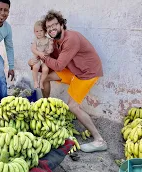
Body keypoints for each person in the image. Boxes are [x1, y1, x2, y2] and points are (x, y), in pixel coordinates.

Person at [30, 10, 107, 153]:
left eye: (54, 25)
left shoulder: (71, 39)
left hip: (87, 72)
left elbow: (58, 65)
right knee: (45, 76)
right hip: (74, 69)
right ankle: (45, 106)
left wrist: (40, 54)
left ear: (61, 24)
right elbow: (50, 57)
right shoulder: (55, 41)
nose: (52, 29)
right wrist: (36, 61)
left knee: (73, 106)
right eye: (49, 27)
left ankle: (99, 140)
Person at [28, 20, 54, 89]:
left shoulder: (48, 40)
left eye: (41, 30)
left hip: (45, 59)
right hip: (37, 58)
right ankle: (35, 82)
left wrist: (49, 49)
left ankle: (41, 81)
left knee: (45, 69)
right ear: (34, 32)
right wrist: (39, 53)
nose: (39, 33)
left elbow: (50, 50)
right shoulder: (35, 40)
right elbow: (33, 49)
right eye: (37, 31)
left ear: (45, 31)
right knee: (35, 67)